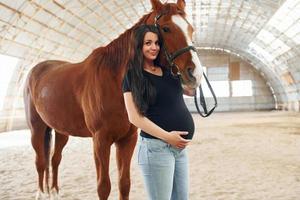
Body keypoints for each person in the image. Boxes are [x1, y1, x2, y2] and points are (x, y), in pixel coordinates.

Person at [122, 24, 195, 200]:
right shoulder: (132, 76)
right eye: (148, 43)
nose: (154, 47)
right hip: (156, 149)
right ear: (138, 45)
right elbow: (134, 117)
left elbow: (190, 90)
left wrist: (195, 69)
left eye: (156, 43)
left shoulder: (170, 71)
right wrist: (167, 137)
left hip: (179, 149)